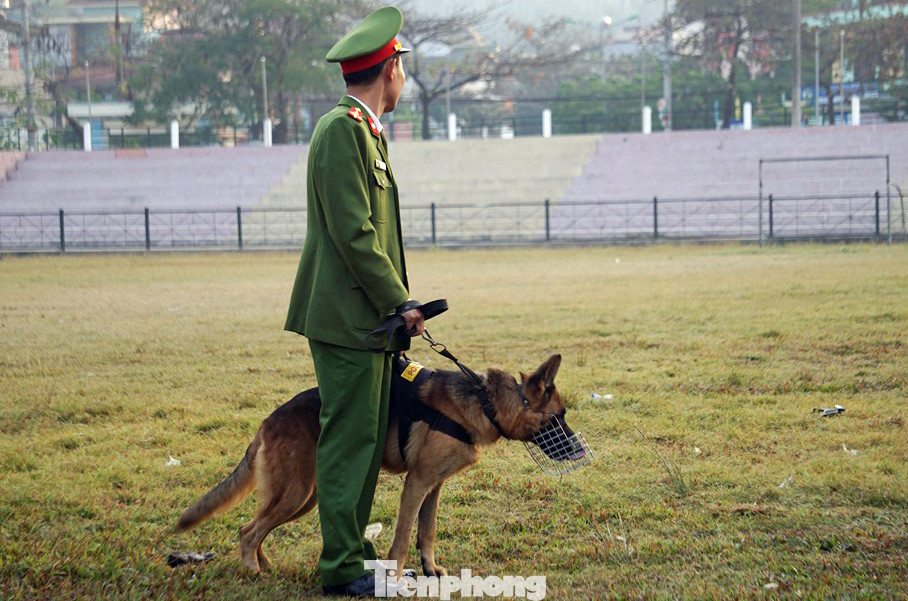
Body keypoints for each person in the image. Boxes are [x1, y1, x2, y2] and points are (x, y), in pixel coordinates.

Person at [284, 6, 424, 598]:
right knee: (348, 441)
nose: (403, 81)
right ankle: (342, 568)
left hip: (366, 322)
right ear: (389, 69)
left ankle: (355, 556)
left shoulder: (362, 129)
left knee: (365, 440)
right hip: (348, 320)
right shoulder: (342, 130)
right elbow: (354, 231)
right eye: (401, 68)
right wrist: (400, 300)